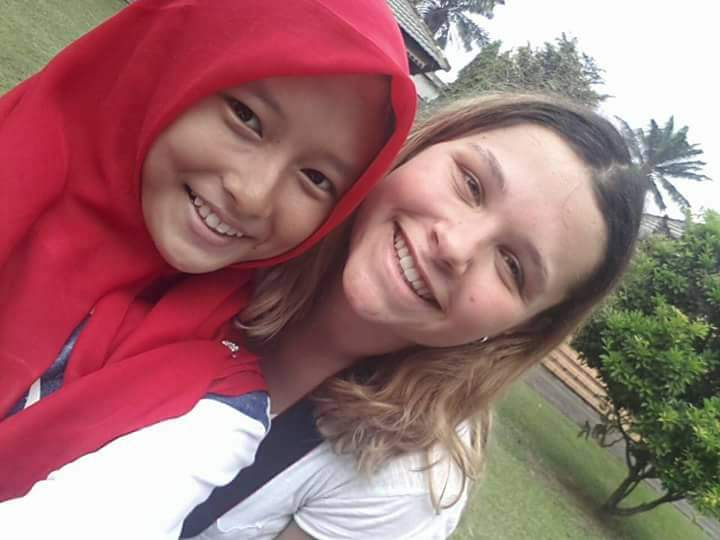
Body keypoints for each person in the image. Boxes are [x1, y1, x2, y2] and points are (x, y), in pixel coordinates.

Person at [0, 93, 648, 540]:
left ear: (519, 330)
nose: (454, 246)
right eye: (471, 184)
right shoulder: (234, 228)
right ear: (422, 146)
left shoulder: (400, 486)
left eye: (512, 267)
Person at [0, 0, 416, 502]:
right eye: (246, 117)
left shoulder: (215, 385)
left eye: (316, 178)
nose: (254, 195)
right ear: (166, 66)